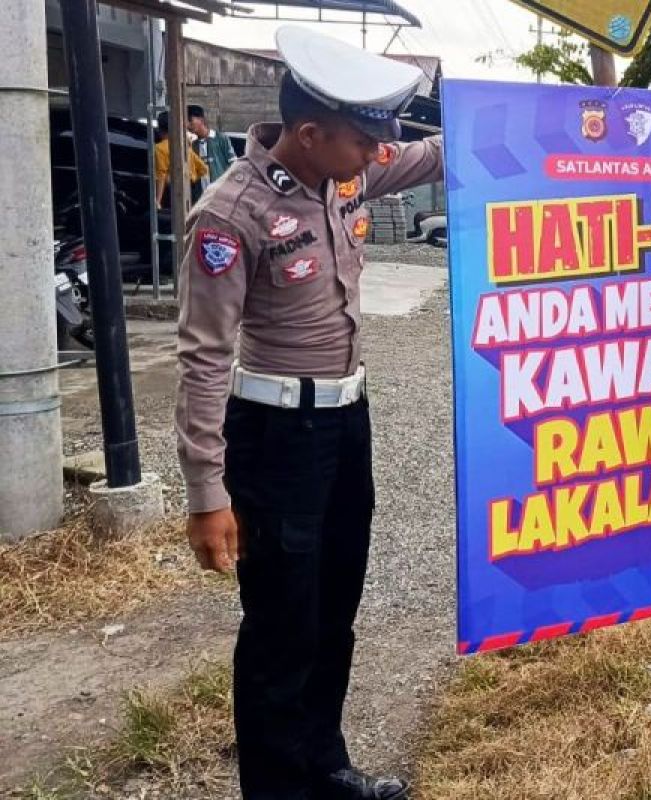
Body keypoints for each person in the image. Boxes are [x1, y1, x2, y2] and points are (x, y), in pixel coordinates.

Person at [175, 25, 440, 800]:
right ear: (310, 133)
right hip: (277, 438)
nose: (377, 152)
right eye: (364, 140)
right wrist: (206, 495)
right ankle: (276, 787)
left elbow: (435, 158)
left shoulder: (346, 173)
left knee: (333, 613)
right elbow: (202, 357)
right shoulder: (231, 216)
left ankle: (325, 769)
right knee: (281, 629)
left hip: (346, 426)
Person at [154, 110, 209, 208]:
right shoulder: (185, 146)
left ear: (160, 129)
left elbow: (161, 176)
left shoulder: (160, 148)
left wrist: (158, 201)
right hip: (189, 190)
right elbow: (204, 168)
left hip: (171, 193)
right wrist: (189, 177)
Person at [188, 104, 239, 184]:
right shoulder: (193, 145)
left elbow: (234, 165)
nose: (188, 125)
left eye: (190, 120)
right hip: (201, 194)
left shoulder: (221, 139)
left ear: (201, 119)